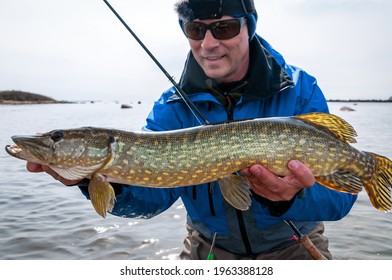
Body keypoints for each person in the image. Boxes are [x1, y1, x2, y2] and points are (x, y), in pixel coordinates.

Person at [26, 0, 357, 259]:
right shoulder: (171, 108)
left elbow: (341, 200)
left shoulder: (299, 89)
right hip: (207, 248)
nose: (209, 44)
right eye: (196, 30)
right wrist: (89, 179)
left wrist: (291, 197)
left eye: (224, 28)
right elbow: (149, 200)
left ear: (249, 27)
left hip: (294, 245)